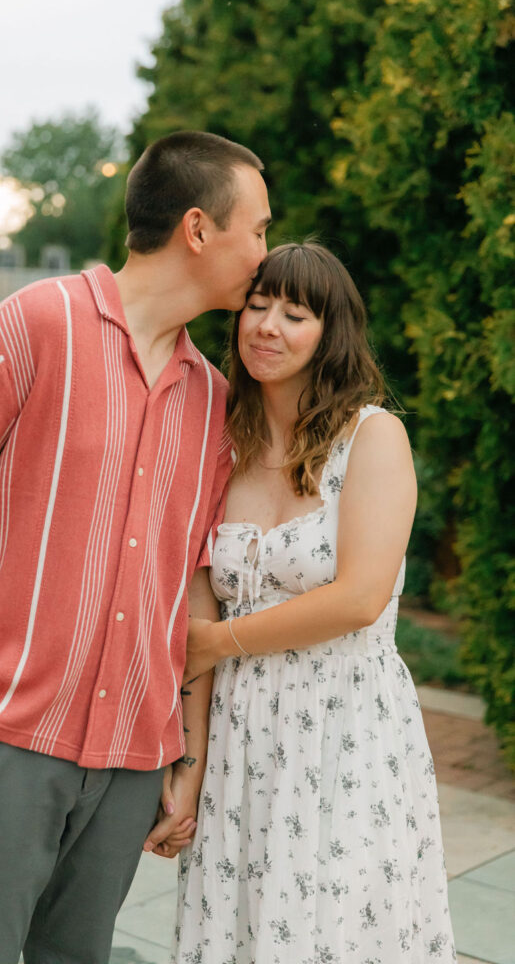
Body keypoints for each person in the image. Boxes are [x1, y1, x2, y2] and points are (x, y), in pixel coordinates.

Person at [0, 130, 271, 964]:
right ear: (198, 229)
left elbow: (194, 583)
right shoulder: (32, 326)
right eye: (260, 229)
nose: (265, 255)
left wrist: (184, 753)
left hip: (129, 764)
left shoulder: (211, 400)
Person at [163, 242, 456, 963]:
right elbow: (199, 603)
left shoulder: (372, 437)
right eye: (257, 305)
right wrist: (190, 764)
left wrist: (220, 643)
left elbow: (358, 598)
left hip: (343, 730)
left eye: (294, 313)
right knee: (240, 929)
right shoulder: (220, 444)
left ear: (331, 333)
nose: (267, 325)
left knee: (334, 930)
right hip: (238, 735)